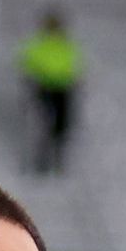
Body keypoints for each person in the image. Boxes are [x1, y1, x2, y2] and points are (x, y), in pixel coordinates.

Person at [19, 10, 81, 175]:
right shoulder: (39, 44)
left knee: (62, 126)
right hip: (44, 88)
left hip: (63, 89)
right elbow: (26, 64)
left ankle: (58, 160)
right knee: (44, 125)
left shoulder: (66, 45)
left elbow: (76, 66)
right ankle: (42, 162)